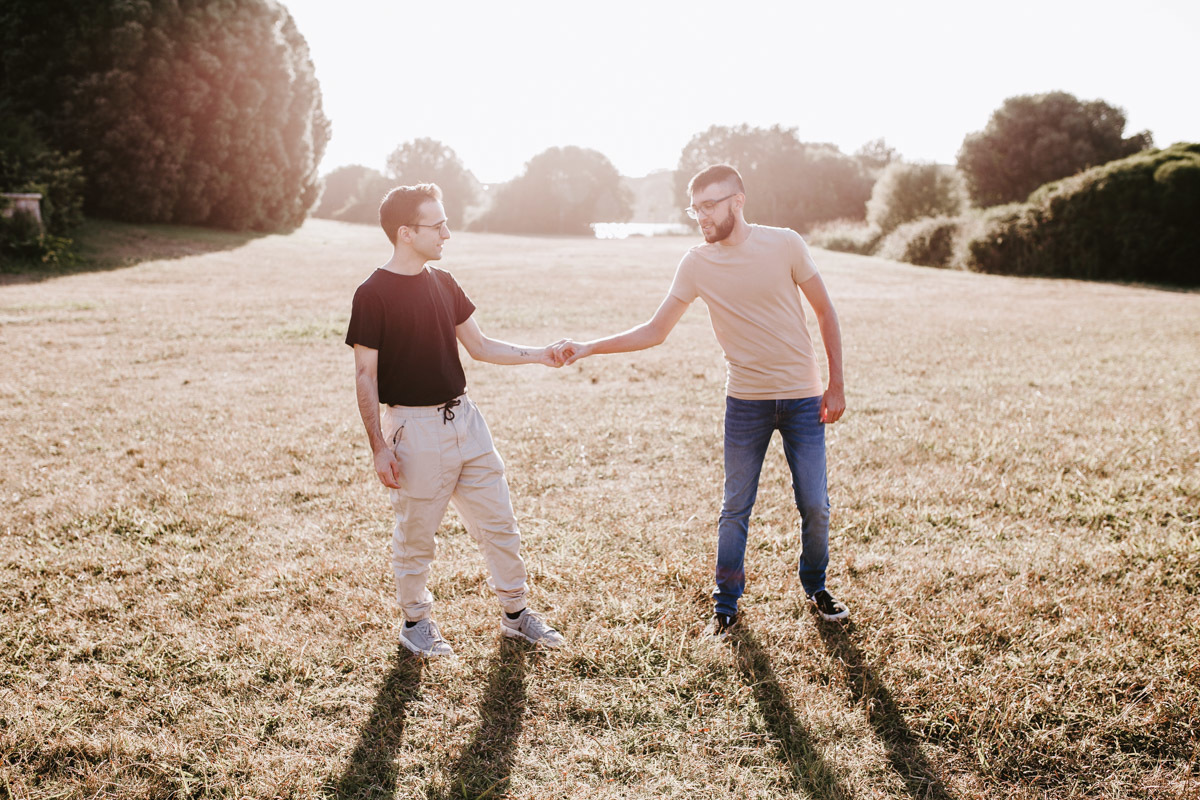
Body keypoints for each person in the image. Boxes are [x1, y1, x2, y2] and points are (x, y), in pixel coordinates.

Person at [557, 164, 849, 637]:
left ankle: (816, 586)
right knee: (735, 507)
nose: (702, 217)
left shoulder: (786, 244)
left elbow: (825, 310)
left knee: (815, 504)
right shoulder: (696, 263)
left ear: (738, 201)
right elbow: (655, 330)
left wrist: (836, 385)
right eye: (695, 209)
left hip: (802, 398)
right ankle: (726, 605)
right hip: (746, 402)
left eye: (710, 205)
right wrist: (590, 347)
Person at [346, 183, 566, 657]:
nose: (447, 233)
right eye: (438, 225)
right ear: (406, 233)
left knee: (500, 525)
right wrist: (379, 447)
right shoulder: (372, 293)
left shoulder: (444, 283)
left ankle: (516, 615)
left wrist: (540, 354)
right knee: (416, 537)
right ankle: (415, 623)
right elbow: (365, 376)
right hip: (414, 430)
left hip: (466, 420)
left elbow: (481, 346)